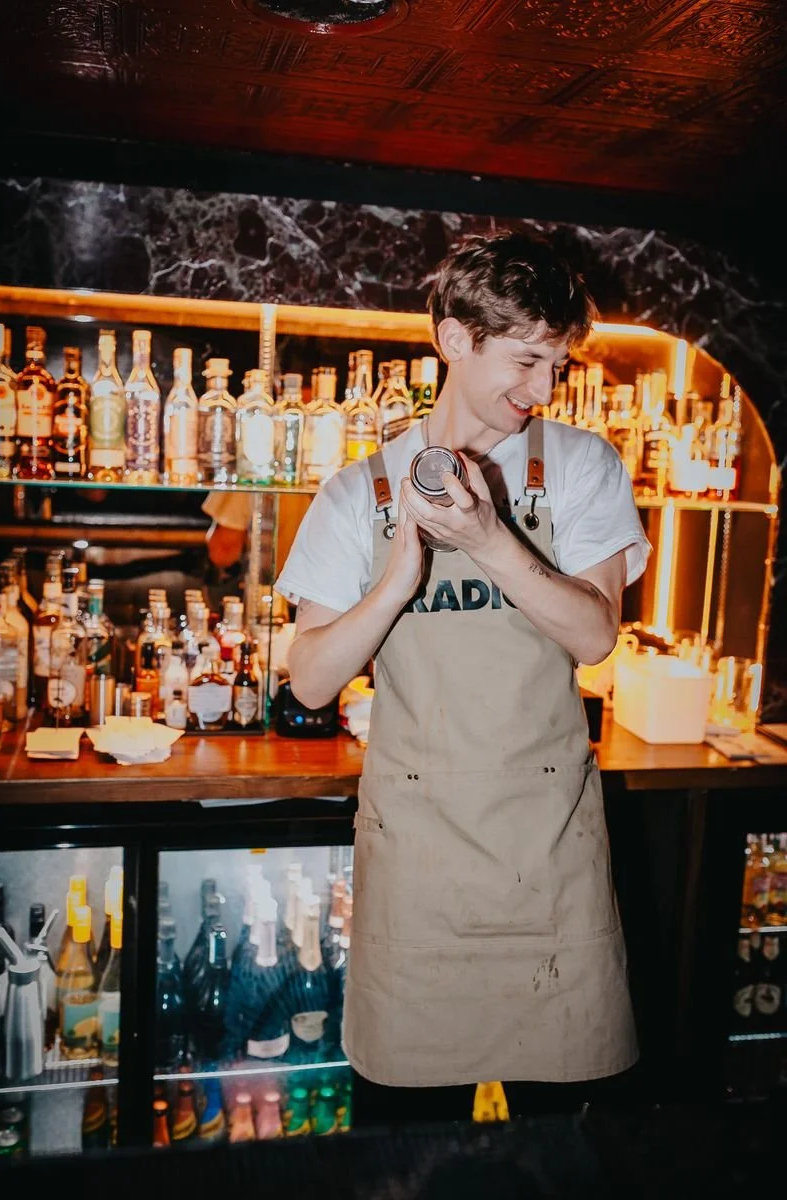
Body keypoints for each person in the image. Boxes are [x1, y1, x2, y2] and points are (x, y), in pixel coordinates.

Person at [275, 229, 652, 1121]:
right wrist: (396, 582)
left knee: (569, 1154)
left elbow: (593, 634)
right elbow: (311, 682)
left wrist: (487, 540)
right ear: (454, 340)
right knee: (407, 1146)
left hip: (549, 852)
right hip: (421, 867)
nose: (543, 391)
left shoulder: (579, 467)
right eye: (526, 361)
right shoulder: (359, 490)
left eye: (556, 365)